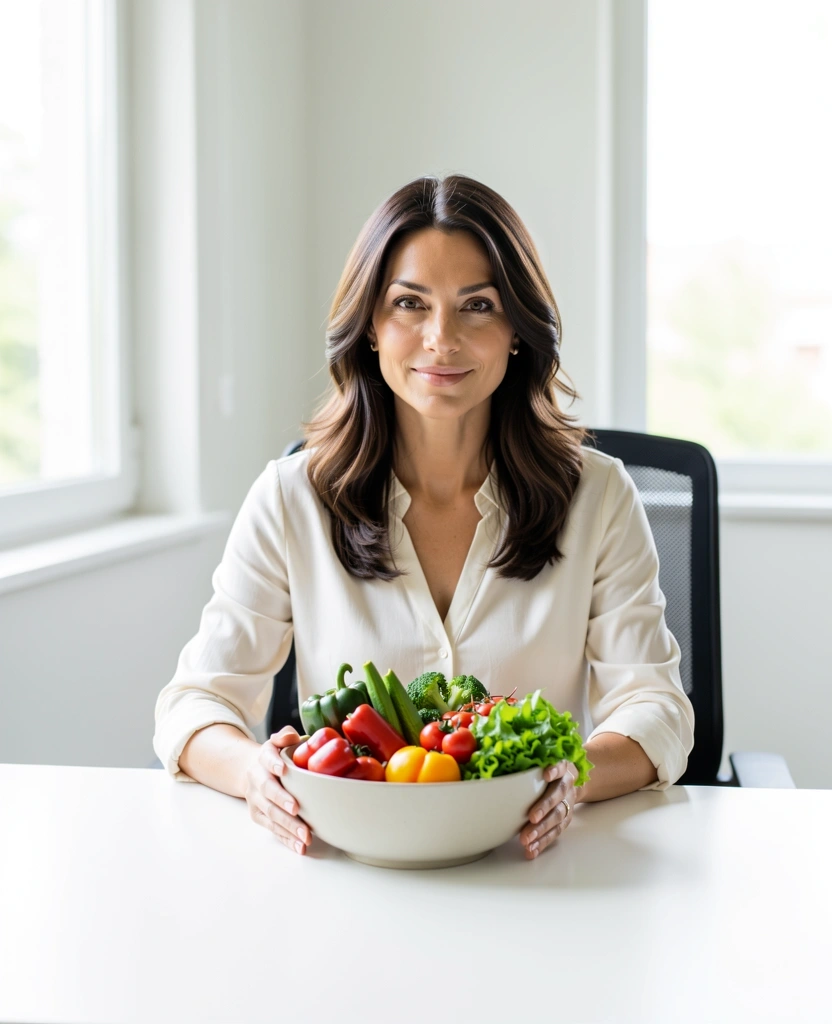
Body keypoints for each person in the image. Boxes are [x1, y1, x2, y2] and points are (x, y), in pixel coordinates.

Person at [153, 174, 694, 861]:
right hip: (348, 873)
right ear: (371, 328)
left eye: (477, 306)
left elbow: (658, 711)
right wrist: (255, 774)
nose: (441, 339)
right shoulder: (292, 496)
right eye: (409, 303)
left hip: (531, 876)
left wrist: (571, 775)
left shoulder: (598, 495)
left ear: (518, 333)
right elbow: (194, 704)